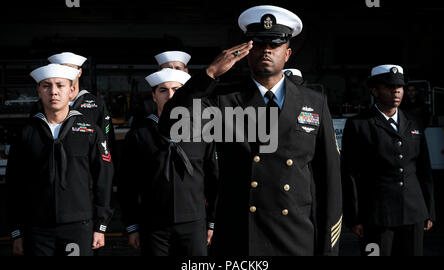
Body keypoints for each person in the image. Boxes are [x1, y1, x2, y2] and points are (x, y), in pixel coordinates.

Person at [158, 5, 342, 256]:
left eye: (274, 45)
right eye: (258, 44)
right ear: (247, 51)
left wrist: (328, 249)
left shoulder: (313, 101)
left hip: (295, 238)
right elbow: (171, 125)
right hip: (241, 238)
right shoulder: (224, 100)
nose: (266, 50)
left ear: (287, 54)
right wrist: (209, 74)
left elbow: (328, 180)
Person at [6, 64, 114, 256]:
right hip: (37, 229)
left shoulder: (90, 131)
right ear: (39, 90)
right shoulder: (26, 133)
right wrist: (16, 231)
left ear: (72, 90)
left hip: (79, 226)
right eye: (46, 85)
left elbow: (103, 180)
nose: (53, 92)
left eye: (60, 85)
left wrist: (101, 225)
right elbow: (14, 184)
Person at [118, 68, 218, 256]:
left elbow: (214, 178)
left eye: (177, 90)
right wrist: (132, 225)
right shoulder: (140, 134)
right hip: (153, 225)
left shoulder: (202, 130)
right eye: (163, 90)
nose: (171, 95)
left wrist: (212, 221)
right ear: (154, 96)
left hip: (194, 223)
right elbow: (127, 183)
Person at [341, 64, 435, 256]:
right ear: (374, 91)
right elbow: (350, 173)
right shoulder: (359, 124)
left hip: (413, 213)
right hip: (376, 216)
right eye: (389, 87)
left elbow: (424, 170)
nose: (396, 91)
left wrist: (429, 210)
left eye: (399, 87)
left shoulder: (413, 122)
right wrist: (354, 218)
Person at [130, 51, 192, 127]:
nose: (172, 72)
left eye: (177, 68)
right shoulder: (146, 105)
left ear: (186, 71)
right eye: (168, 69)